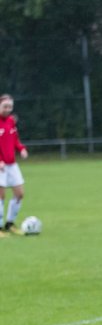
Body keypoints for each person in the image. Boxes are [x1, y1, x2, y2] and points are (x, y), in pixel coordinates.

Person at [0, 95, 29, 234]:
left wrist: (21, 149)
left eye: (10, 107)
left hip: (12, 165)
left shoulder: (11, 121)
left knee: (19, 194)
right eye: (5, 106)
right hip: (0, 165)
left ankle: (9, 224)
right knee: (1, 196)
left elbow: (15, 140)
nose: (7, 109)